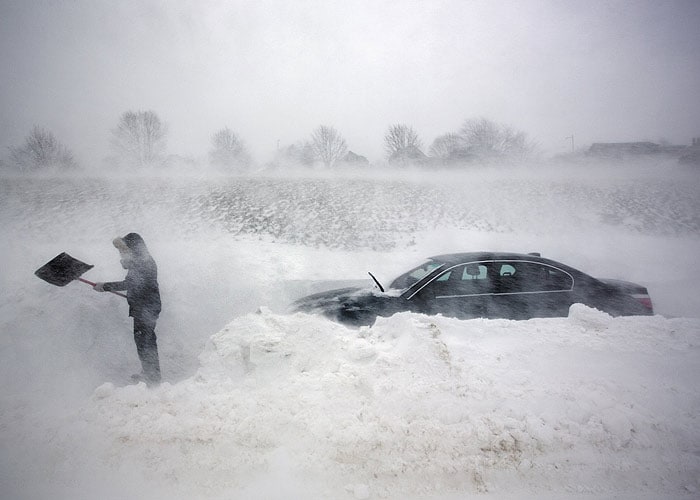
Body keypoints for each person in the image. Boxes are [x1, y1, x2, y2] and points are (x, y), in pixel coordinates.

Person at [94, 233, 162, 386]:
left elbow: (130, 284)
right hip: (144, 306)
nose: (123, 252)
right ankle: (149, 372)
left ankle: (153, 378)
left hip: (147, 308)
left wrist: (105, 286)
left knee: (145, 341)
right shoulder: (141, 260)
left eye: (126, 248)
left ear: (135, 247)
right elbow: (134, 279)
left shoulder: (144, 263)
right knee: (143, 341)